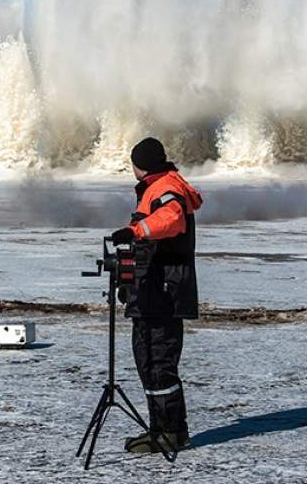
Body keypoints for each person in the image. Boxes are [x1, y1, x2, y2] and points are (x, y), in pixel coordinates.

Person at [109, 137, 203, 454]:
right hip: (153, 288)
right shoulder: (156, 186)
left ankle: (171, 432)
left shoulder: (166, 188)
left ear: (141, 164)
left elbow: (170, 219)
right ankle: (160, 429)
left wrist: (135, 231)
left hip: (165, 291)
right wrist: (129, 281)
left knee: (159, 361)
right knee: (148, 359)